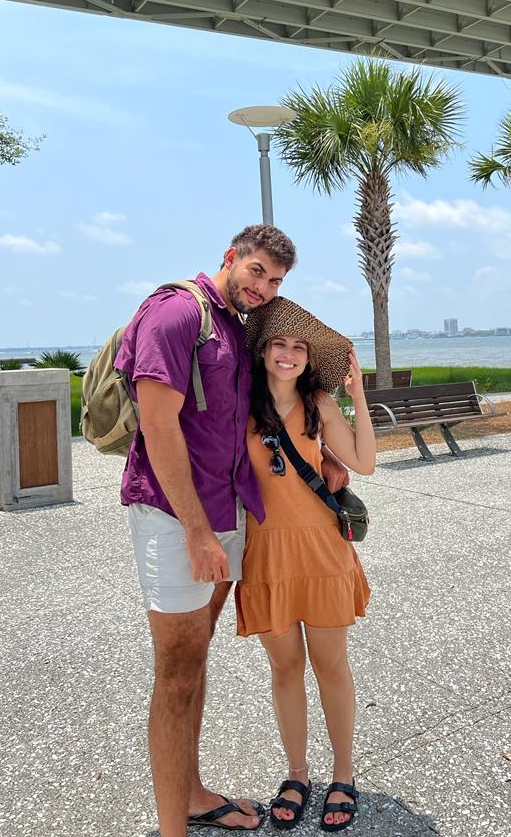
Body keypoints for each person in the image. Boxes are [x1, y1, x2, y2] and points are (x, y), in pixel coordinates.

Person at [115, 226, 350, 837]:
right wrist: (196, 530)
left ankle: (190, 794)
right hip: (177, 517)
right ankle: (173, 829)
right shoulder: (175, 314)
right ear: (230, 257)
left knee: (194, 658)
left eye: (275, 281)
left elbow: (256, 413)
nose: (263, 287)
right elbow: (159, 426)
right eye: (257, 273)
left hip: (225, 514)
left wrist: (325, 453)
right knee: (176, 671)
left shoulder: (234, 328)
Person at [236, 297, 376, 832]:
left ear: (307, 357)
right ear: (264, 351)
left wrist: (358, 397)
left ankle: (344, 775)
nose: (288, 354)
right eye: (279, 344)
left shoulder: (319, 403)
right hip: (265, 553)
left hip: (321, 550)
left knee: (331, 665)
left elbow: (364, 461)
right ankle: (297, 773)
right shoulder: (242, 406)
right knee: (284, 668)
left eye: (298, 347)